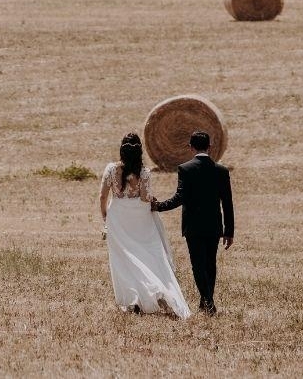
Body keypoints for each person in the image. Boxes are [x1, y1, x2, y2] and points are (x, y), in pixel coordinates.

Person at [98, 132, 192, 317]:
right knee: (147, 255)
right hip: (140, 218)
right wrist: (152, 199)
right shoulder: (144, 172)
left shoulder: (110, 169)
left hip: (118, 217)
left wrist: (105, 218)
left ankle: (134, 299)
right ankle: (154, 289)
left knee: (123, 260)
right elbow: (144, 198)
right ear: (140, 151)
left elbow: (103, 196)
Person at [150, 130, 234, 315]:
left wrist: (158, 206)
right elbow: (227, 203)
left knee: (198, 264)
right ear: (210, 147)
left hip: (193, 226)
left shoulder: (185, 169)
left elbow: (179, 198)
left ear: (191, 147)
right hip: (214, 225)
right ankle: (206, 301)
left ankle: (208, 301)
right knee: (210, 264)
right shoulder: (221, 171)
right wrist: (229, 231)